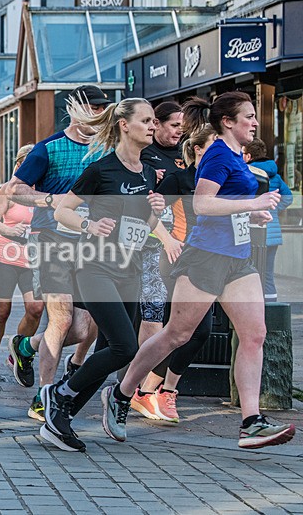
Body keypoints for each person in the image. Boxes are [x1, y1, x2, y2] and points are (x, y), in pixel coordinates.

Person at [111, 92, 295, 450]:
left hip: (238, 258)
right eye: (249, 117)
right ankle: (121, 394)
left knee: (255, 334)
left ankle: (251, 422)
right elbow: (203, 203)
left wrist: (250, 212)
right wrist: (254, 202)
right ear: (228, 121)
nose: (255, 123)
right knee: (176, 335)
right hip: (207, 257)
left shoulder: (237, 157)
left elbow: (229, 203)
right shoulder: (216, 154)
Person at [40, 97, 165, 452]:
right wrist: (89, 224)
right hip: (95, 267)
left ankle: (59, 417)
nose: (152, 126)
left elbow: (144, 224)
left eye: (154, 121)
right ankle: (60, 394)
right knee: (125, 345)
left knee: (115, 348)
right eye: (146, 120)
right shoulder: (101, 169)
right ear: (125, 125)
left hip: (130, 270)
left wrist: (156, 211)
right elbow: (63, 211)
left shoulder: (145, 171)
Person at [5, 85, 106, 422]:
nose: (99, 114)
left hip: (91, 245)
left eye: (103, 108)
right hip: (51, 239)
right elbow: (15, 189)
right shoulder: (49, 149)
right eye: (93, 107)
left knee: (81, 330)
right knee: (60, 320)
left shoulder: (104, 150)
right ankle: (43, 397)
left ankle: (25, 346)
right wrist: (49, 200)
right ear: (75, 109)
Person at [131, 124, 217, 423]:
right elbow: (147, 214)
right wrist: (168, 240)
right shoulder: (180, 179)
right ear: (197, 149)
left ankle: (151, 391)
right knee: (189, 330)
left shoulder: (223, 179)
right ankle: (145, 391)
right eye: (214, 145)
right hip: (182, 260)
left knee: (189, 333)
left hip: (215, 262)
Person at [0, 145, 43, 383]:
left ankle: (17, 352)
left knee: (36, 309)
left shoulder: (44, 191)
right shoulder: (9, 190)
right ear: (19, 165)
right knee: (1, 312)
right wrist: (10, 229)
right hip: (6, 257)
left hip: (34, 259)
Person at [136, 102, 185, 357]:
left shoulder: (186, 154)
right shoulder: (144, 152)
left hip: (183, 241)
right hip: (151, 243)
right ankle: (142, 380)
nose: (179, 131)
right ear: (157, 124)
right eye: (174, 125)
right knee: (152, 311)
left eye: (182, 126)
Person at [243, 138, 293, 302]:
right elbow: (288, 198)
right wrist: (273, 209)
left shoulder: (246, 173)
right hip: (273, 233)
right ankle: (271, 312)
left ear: (248, 156)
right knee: (268, 275)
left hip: (252, 231)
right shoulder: (276, 176)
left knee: (249, 273)